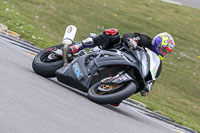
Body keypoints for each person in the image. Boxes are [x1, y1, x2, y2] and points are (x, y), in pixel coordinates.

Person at [68, 28, 175, 97]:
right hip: (117, 51)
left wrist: (147, 87)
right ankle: (78, 46)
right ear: (157, 43)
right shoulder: (146, 41)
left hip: (129, 69)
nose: (164, 53)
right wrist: (131, 40)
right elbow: (129, 35)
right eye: (163, 49)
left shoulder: (158, 65)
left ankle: (113, 89)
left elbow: (151, 79)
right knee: (114, 33)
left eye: (166, 52)